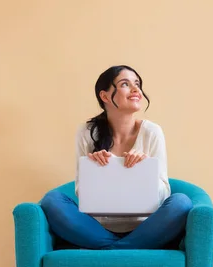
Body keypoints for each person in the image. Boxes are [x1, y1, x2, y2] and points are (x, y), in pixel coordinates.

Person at [40, 65, 193, 250]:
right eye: (125, 84)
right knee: (51, 200)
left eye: (137, 84)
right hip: (97, 228)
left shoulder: (152, 132)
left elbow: (163, 195)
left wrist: (143, 169)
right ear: (105, 96)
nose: (136, 90)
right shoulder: (87, 132)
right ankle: (125, 248)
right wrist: (98, 169)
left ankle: (111, 249)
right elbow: (82, 193)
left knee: (181, 202)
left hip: (146, 227)